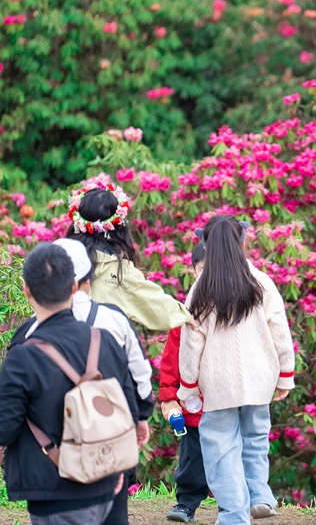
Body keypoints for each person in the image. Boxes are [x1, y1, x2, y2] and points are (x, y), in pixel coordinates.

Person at [9, 238, 154, 525]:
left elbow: (11, 411)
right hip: (107, 451)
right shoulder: (112, 323)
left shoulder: (26, 336)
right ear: (80, 283)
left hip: (50, 467)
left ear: (29, 289)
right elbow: (137, 377)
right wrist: (140, 417)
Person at [177, 215, 295, 524]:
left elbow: (191, 343)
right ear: (242, 241)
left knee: (220, 448)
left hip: (218, 383)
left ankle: (234, 514)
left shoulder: (200, 288)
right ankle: (259, 497)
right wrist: (285, 374)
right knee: (255, 438)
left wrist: (188, 384)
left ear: (206, 245)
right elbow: (280, 330)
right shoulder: (261, 282)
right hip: (260, 378)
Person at [65, 182, 192, 331]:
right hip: (103, 343)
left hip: (59, 341)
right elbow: (156, 305)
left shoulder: (60, 262)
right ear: (118, 227)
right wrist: (184, 314)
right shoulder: (120, 271)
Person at [160, 244, 210, 523]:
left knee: (232, 456)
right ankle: (186, 503)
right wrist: (169, 396)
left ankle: (235, 506)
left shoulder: (236, 305)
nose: (208, 276)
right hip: (193, 401)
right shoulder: (185, 311)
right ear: (192, 271)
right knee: (192, 458)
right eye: (202, 270)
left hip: (227, 400)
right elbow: (171, 359)